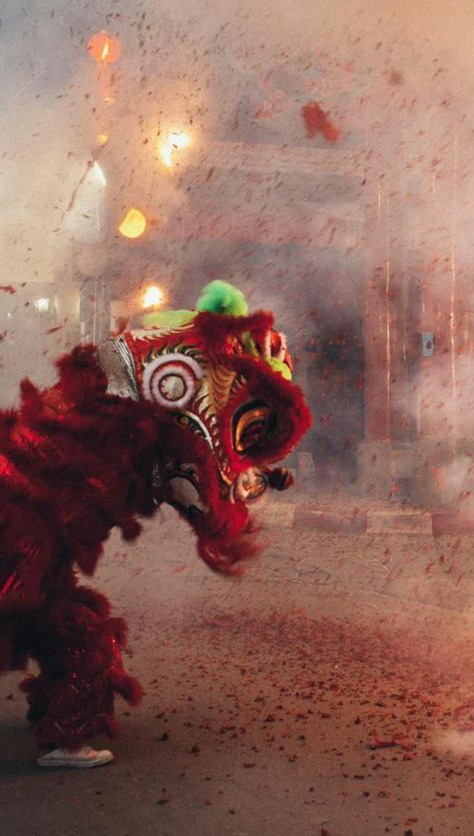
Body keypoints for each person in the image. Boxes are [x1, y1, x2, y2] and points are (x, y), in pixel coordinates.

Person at [0, 280, 311, 768]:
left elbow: (188, 462)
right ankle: (67, 739)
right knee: (80, 636)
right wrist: (241, 486)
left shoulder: (137, 367)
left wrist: (250, 476)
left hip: (25, 504)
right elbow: (198, 487)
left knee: (52, 616)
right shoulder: (178, 374)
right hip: (24, 522)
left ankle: (59, 720)